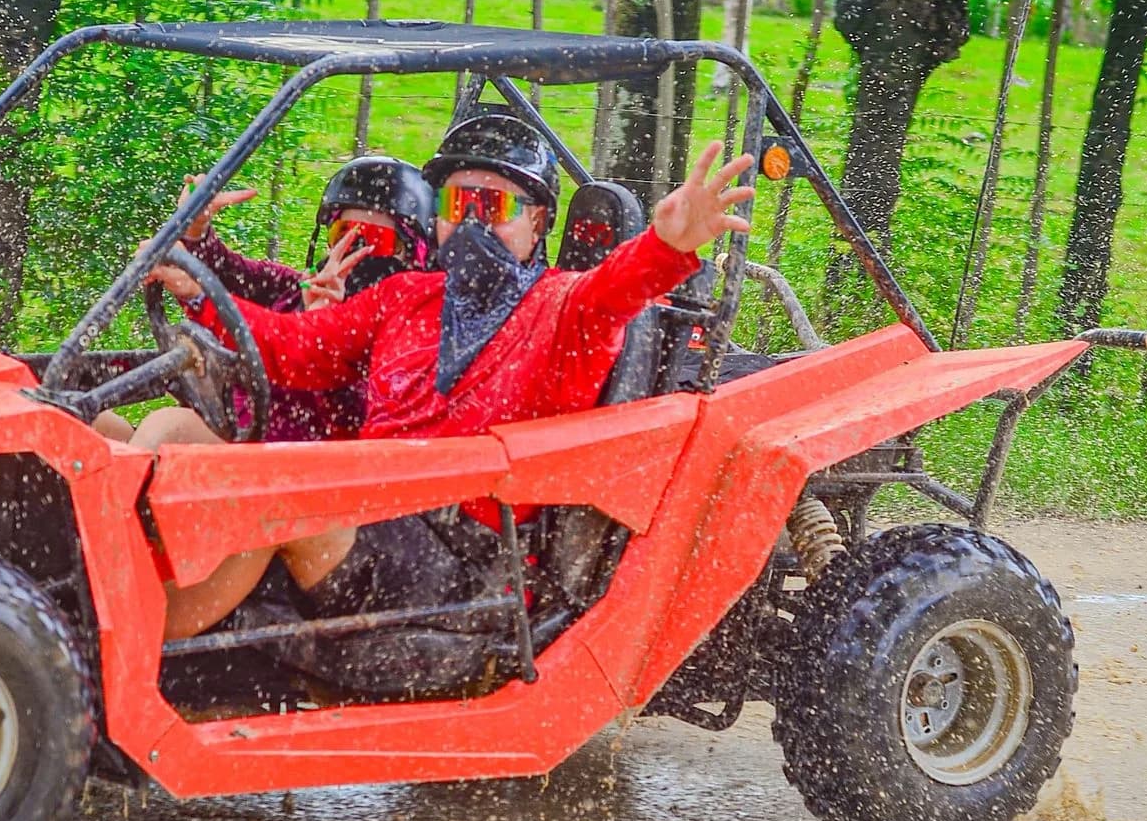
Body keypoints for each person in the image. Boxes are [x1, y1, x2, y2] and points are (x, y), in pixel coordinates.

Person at [141, 114, 754, 640]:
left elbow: (614, 291)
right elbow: (293, 348)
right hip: (364, 509)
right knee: (173, 428)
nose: (472, 224)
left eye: (495, 207)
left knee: (272, 492)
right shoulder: (406, 296)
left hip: (463, 554)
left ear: (537, 223)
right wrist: (199, 287)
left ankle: (140, 638)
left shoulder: (565, 308)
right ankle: (105, 587)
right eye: (457, 205)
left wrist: (667, 245)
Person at [98, 156, 434, 443]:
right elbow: (226, 272)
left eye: (377, 241)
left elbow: (350, 414)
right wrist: (195, 230)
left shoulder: (400, 331)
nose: (356, 253)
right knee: (86, 425)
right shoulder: (291, 287)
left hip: (294, 476)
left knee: (168, 428)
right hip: (230, 442)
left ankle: (114, 516)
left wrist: (317, 327)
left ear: (413, 252)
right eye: (345, 235)